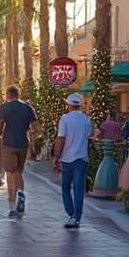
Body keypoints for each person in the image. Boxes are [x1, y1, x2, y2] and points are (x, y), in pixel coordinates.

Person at [0, 86, 39, 219]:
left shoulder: (3, 107)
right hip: (23, 144)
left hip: (8, 144)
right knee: (19, 171)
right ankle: (20, 192)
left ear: (8, 95)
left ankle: (12, 206)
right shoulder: (28, 107)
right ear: (18, 95)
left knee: (10, 172)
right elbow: (35, 127)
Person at [52, 93, 93, 229]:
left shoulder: (65, 119)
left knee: (65, 187)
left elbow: (61, 138)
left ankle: (71, 213)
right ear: (79, 105)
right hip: (81, 157)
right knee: (78, 188)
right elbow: (89, 137)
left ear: (69, 105)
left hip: (67, 158)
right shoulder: (86, 119)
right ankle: (77, 217)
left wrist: (56, 158)